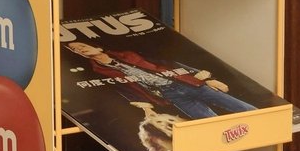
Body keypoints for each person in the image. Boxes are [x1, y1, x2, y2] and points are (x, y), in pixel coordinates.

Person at [66, 41, 256, 119]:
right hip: (169, 96)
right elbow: (121, 91)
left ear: (95, 46)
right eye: (76, 50)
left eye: (81, 45)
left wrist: (209, 78)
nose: (80, 50)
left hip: (188, 83)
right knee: (209, 123)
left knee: (245, 110)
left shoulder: (128, 52)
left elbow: (168, 62)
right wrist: (145, 106)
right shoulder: (96, 71)